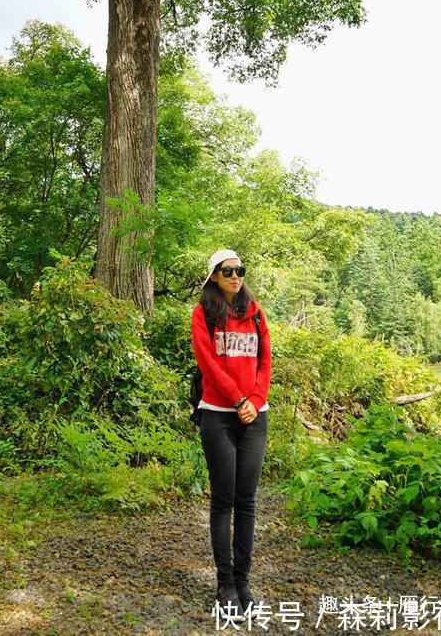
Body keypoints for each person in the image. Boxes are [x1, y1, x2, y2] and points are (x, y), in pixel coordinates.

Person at [191, 249, 272, 621]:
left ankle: (243, 582)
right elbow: (206, 362)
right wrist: (238, 398)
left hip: (255, 415)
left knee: (248, 500)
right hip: (218, 415)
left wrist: (254, 400)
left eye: (240, 270)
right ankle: (225, 584)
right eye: (228, 271)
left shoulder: (255, 313)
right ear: (214, 276)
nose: (236, 276)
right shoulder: (203, 314)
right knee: (224, 500)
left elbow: (266, 361)